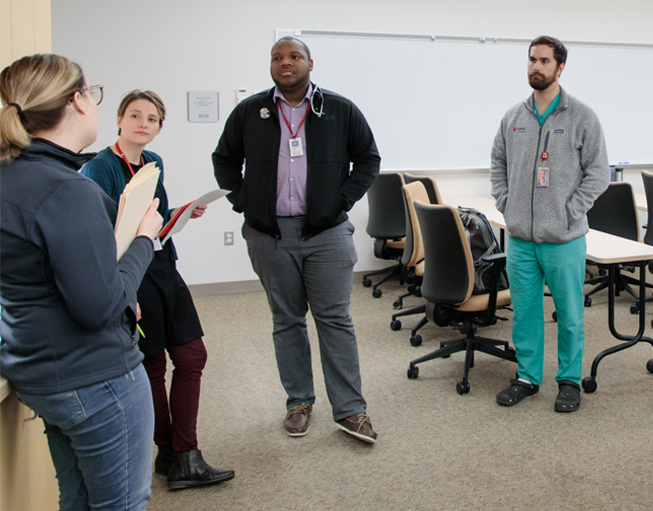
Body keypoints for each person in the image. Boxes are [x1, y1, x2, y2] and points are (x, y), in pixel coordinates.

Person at [0, 54, 162, 510]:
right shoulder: (66, 189)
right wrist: (144, 241)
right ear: (77, 101)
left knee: (76, 500)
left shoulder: (13, 177)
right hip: (95, 379)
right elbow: (99, 307)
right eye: (92, 92)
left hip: (39, 373)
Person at [212, 37, 381, 443]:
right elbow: (224, 160)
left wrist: (340, 200)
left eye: (293, 57)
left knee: (335, 320)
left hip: (326, 233)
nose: (284, 63)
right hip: (270, 235)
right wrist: (245, 201)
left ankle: (351, 410)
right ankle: (299, 402)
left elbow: (369, 159)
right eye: (277, 57)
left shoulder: (337, 109)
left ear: (310, 63)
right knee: (286, 320)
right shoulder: (251, 111)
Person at [81, 90, 234, 490]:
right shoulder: (100, 167)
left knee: (191, 355)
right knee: (152, 365)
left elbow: (154, 219)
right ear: (118, 119)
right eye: (135, 115)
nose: (143, 124)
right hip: (131, 272)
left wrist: (181, 211)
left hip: (162, 263)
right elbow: (104, 230)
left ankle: (178, 453)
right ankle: (175, 455)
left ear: (160, 128)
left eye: (152, 119)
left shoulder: (153, 163)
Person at [490, 35, 609, 413]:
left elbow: (599, 173)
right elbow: (498, 164)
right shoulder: (513, 117)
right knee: (525, 312)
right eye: (531, 60)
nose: (535, 67)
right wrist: (506, 203)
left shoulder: (582, 117)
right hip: (521, 238)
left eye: (544, 61)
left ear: (560, 68)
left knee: (570, 314)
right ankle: (527, 376)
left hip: (564, 238)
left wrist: (571, 210)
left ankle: (569, 379)